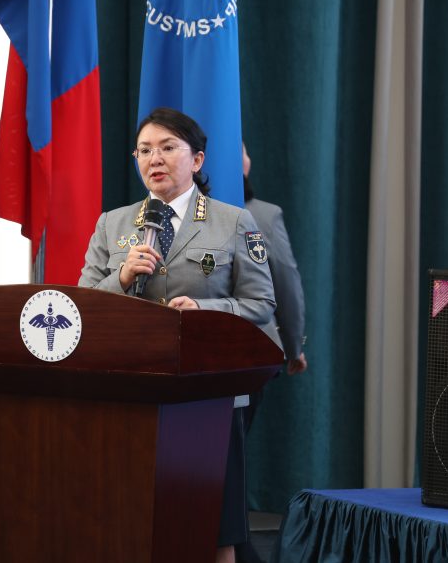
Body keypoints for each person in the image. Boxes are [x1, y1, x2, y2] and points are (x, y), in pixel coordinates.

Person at [79, 108, 276, 563]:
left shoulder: (233, 222)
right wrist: (121, 279)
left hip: (207, 394)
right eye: (145, 150)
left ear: (197, 159)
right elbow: (83, 306)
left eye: (168, 148)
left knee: (213, 526)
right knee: (134, 518)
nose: (156, 159)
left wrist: (204, 310)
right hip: (132, 392)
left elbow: (261, 304)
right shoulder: (113, 223)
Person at [236, 145, 308, 563]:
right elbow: (287, 281)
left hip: (246, 358)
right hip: (244, 355)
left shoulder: (260, 215)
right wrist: (294, 347)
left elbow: (282, 283)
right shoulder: (260, 215)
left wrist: (292, 344)